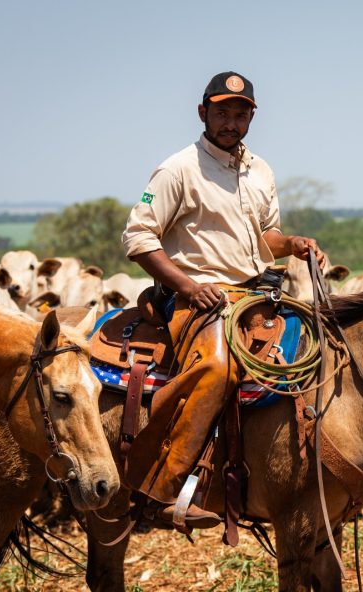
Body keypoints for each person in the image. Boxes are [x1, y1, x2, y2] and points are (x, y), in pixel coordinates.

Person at [121, 71, 325, 530]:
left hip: (255, 295)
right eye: (222, 113)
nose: (231, 122)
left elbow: (263, 238)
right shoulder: (179, 169)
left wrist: (293, 243)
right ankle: (163, 486)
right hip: (199, 299)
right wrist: (188, 287)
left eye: (240, 113)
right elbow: (137, 237)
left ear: (252, 116)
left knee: (322, 350)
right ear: (203, 113)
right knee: (218, 366)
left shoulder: (261, 170)